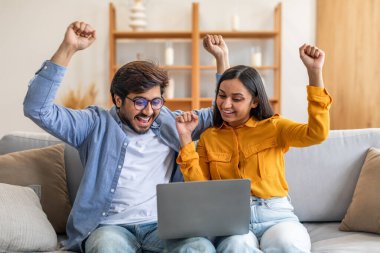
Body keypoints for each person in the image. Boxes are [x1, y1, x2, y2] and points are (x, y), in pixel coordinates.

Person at [23, 21, 226, 253]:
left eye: (156, 101)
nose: (148, 111)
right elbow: (37, 108)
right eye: (139, 102)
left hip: (162, 227)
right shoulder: (93, 124)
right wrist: (68, 48)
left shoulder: (172, 123)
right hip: (110, 228)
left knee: (200, 247)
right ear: (118, 100)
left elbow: (222, 114)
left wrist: (221, 59)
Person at [175, 40, 332, 252]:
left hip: (276, 215)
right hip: (231, 219)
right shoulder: (209, 137)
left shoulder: (274, 127)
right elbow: (200, 188)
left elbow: (317, 134)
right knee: (236, 246)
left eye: (237, 98)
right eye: (221, 96)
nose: (226, 104)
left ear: (255, 102)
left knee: (286, 243)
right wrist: (185, 138)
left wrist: (314, 73)